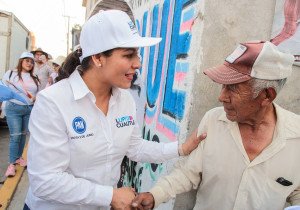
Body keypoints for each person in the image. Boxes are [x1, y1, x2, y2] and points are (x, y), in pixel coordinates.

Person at [24, 10, 205, 210]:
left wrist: (181, 148)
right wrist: (109, 195)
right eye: (129, 55)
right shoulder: (53, 102)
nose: (137, 63)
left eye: (137, 54)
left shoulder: (124, 100)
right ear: (98, 58)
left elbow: (134, 147)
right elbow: (45, 181)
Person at [132, 41, 300, 210]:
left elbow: (297, 192)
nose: (222, 97)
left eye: (233, 88)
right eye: (223, 86)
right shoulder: (213, 121)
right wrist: (156, 195)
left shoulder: (296, 137)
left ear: (266, 95)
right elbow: (187, 172)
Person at [2, 52, 39, 177]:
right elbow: (3, 89)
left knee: (24, 135)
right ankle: (11, 164)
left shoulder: (34, 77)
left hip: (29, 109)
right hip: (13, 108)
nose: (29, 63)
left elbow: (39, 93)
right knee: (15, 136)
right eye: (27, 60)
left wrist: (35, 98)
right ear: (21, 61)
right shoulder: (11, 74)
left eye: (31, 61)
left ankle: (19, 158)